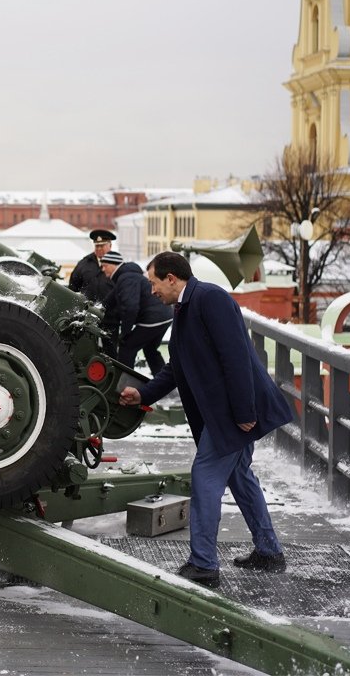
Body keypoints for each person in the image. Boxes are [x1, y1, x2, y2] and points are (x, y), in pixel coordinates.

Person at [118, 251, 292, 589]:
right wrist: (144, 394)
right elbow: (176, 365)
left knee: (205, 476)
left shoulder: (211, 298)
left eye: (153, 284)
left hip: (233, 412)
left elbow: (237, 358)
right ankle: (269, 552)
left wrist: (244, 414)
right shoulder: (183, 307)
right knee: (239, 476)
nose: (151, 292)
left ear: (172, 279)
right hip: (225, 411)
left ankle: (203, 565)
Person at [99, 250, 171, 375]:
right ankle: (163, 381)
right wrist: (99, 308)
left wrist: (125, 333)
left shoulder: (126, 278)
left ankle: (123, 383)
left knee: (127, 348)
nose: (103, 270)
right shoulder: (127, 276)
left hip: (153, 318)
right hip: (164, 315)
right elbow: (111, 299)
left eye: (104, 266)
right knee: (150, 349)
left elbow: (131, 307)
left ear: (114, 264)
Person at [70, 229, 118, 353]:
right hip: (88, 315)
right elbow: (73, 286)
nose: (99, 249)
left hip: (110, 316)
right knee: (87, 349)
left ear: (110, 246)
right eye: (97, 246)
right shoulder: (84, 263)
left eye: (102, 246)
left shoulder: (117, 263)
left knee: (111, 350)